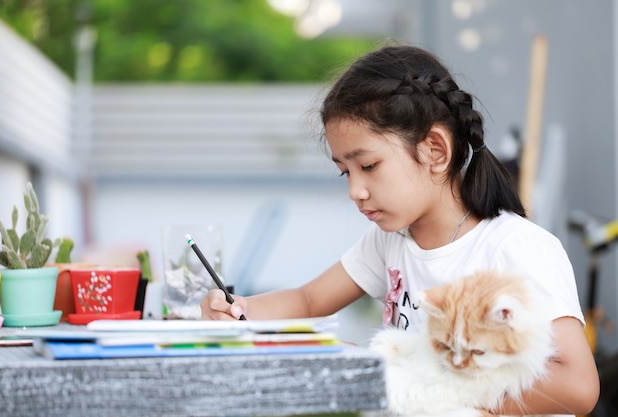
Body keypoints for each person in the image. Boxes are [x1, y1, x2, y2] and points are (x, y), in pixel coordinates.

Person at [201, 44, 599, 416]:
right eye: (345, 172)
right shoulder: (391, 240)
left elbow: (578, 387)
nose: (355, 191)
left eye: (369, 166)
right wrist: (241, 311)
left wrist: (430, 386)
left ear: (435, 151)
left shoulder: (515, 248)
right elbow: (307, 301)